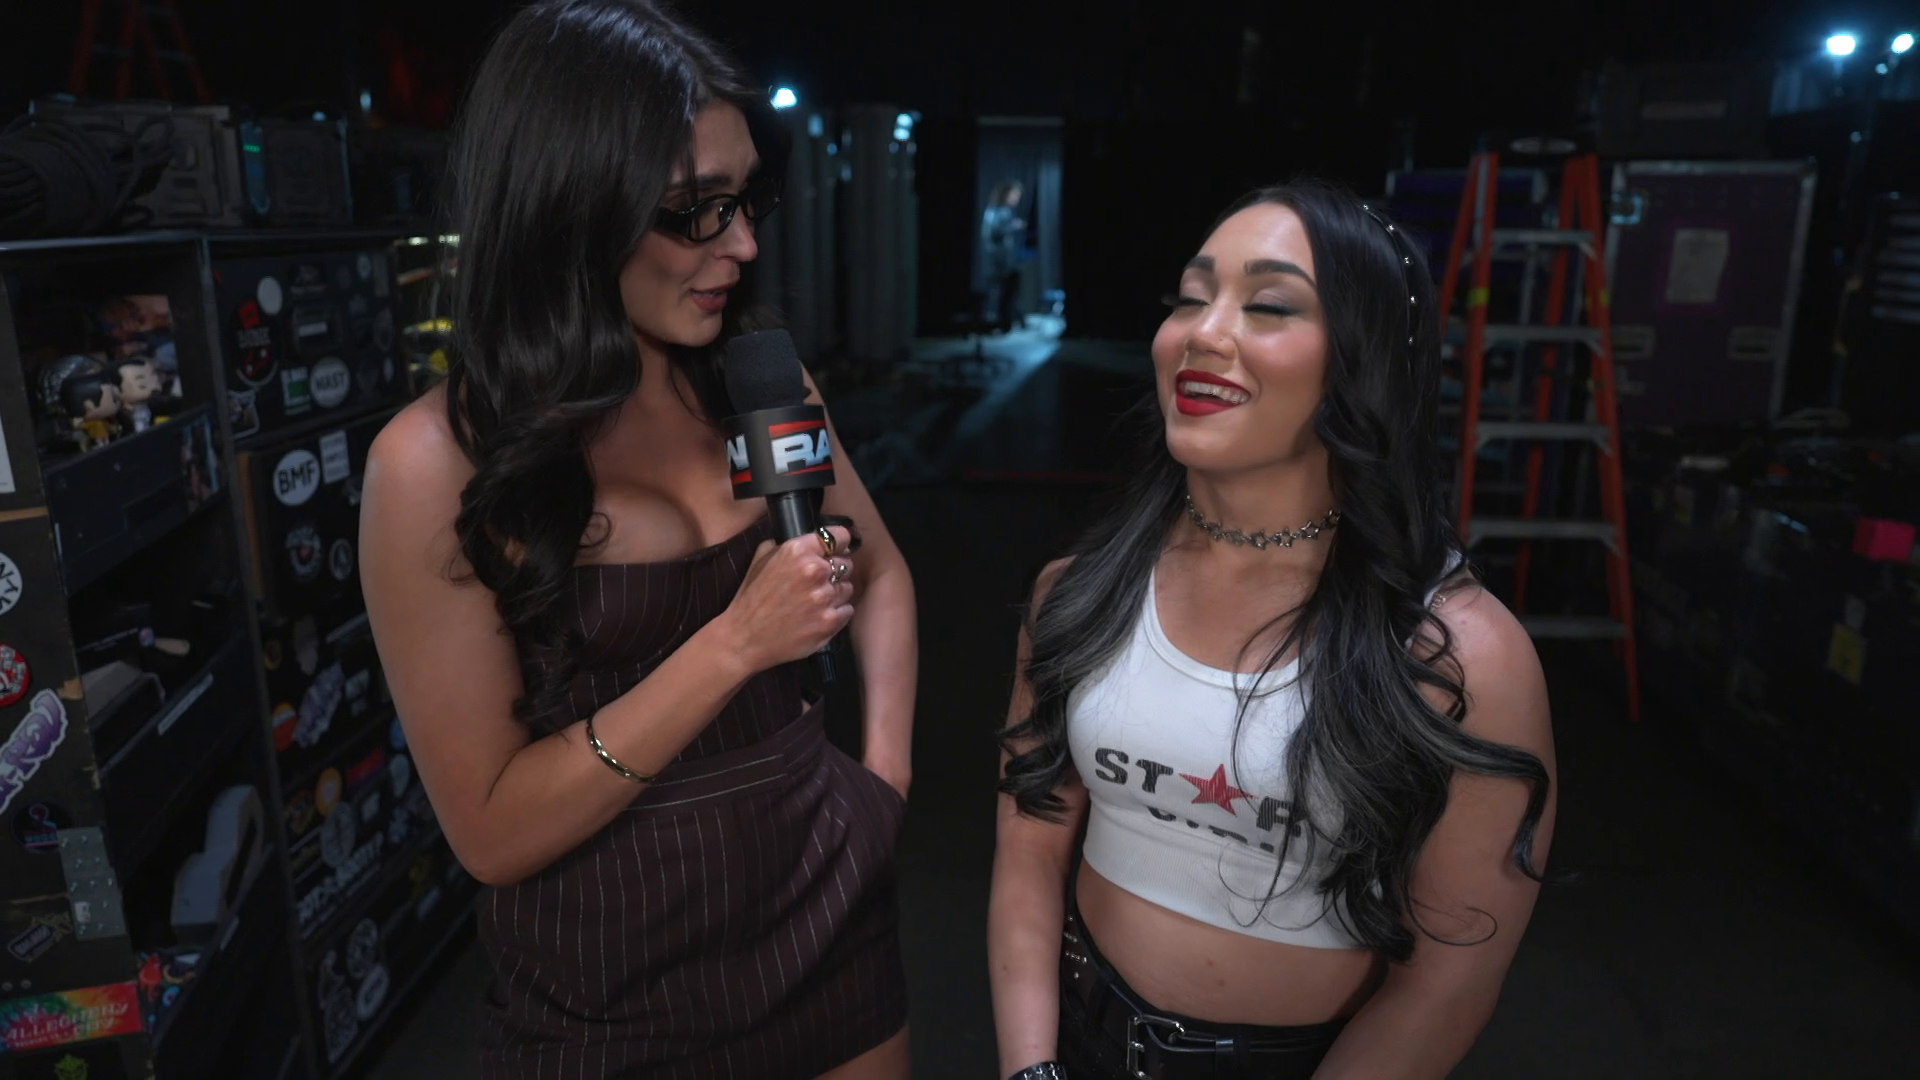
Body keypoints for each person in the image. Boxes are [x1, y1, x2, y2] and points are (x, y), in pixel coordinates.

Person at [358, 3, 918, 1077]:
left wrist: (882, 785)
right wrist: (734, 645)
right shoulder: (436, 462)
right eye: (696, 210)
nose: (743, 245)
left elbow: (881, 570)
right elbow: (492, 832)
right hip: (612, 991)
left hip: (832, 917)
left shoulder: (756, 384)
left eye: (745, 199)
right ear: (569, 212)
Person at [987, 180, 1556, 1079]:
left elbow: (1447, 984)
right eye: (1190, 297)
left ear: (1366, 359)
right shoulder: (1080, 593)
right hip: (1078, 1042)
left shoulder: (1460, 656)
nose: (1204, 332)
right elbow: (1028, 849)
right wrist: (1031, 1069)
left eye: (1270, 305)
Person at [980, 180, 1027, 332]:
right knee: (1002, 292)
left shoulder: (999, 212)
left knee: (1008, 292)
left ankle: (1011, 321)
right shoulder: (997, 212)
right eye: (1014, 195)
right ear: (1006, 194)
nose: (1016, 199)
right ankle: (1002, 323)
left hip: (1003, 261)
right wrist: (1013, 226)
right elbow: (993, 233)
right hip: (999, 262)